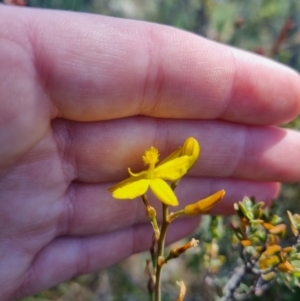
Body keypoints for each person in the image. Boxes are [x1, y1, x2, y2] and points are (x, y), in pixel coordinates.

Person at [1, 4, 300, 301]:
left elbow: (175, 178)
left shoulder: (165, 174)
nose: (151, 159)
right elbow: (144, 189)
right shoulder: (149, 180)